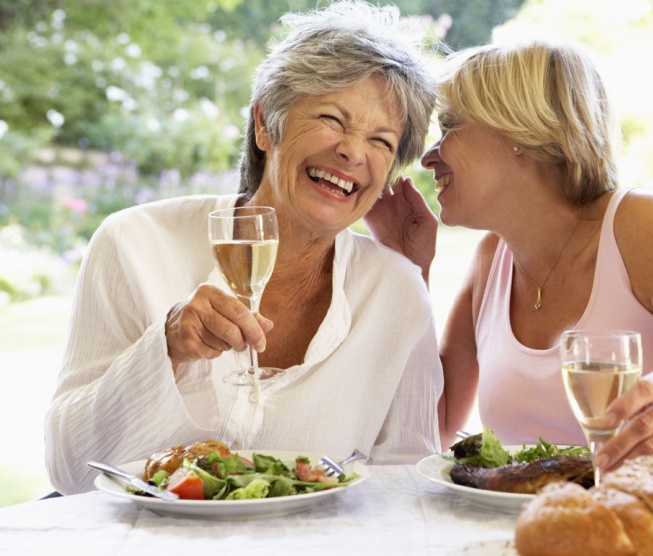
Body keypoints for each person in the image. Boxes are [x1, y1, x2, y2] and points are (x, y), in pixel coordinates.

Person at [364, 39, 653, 471]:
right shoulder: (492, 258)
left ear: (520, 132)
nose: (429, 157)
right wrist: (406, 270)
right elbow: (436, 426)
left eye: (450, 127)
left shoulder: (643, 231)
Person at [45, 0, 441, 495]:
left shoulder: (397, 293)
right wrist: (163, 350)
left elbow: (407, 483)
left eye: (382, 141)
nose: (353, 151)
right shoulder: (133, 243)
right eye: (333, 119)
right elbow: (67, 469)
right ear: (264, 125)